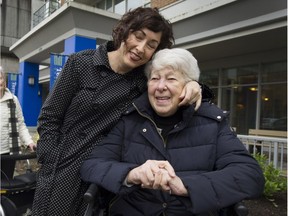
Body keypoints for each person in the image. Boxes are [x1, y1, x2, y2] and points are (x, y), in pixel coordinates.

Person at [32, 7, 213, 216]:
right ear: (125, 31)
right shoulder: (82, 63)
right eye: (138, 37)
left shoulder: (142, 81)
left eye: (151, 45)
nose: (140, 48)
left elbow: (170, 87)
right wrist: (49, 156)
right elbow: (50, 116)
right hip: (64, 166)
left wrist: (194, 86)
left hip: (105, 169)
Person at [80, 48, 265, 216]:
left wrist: (185, 186)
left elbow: (250, 176)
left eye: (171, 78)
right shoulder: (130, 120)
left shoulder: (212, 123)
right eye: (154, 78)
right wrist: (132, 174)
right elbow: (92, 165)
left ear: (189, 86)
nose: (161, 86)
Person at [0, 67, 36, 180]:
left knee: (7, 185)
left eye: (0, 78)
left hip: (8, 152)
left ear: (4, 80)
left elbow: (20, 124)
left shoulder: (13, 100)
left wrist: (29, 141)